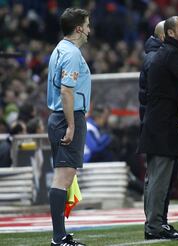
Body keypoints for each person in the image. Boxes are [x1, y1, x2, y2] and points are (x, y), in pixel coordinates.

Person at [138, 16, 178, 240]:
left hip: (160, 125)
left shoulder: (170, 54)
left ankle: (159, 223)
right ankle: (154, 225)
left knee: (160, 178)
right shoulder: (170, 54)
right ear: (170, 34)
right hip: (163, 126)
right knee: (159, 179)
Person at [47, 7, 91, 246]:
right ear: (79, 28)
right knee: (63, 177)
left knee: (62, 176)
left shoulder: (59, 50)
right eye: (87, 24)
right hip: (67, 117)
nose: (89, 29)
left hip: (58, 117)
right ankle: (59, 237)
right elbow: (66, 90)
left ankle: (60, 235)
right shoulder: (72, 53)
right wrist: (72, 125)